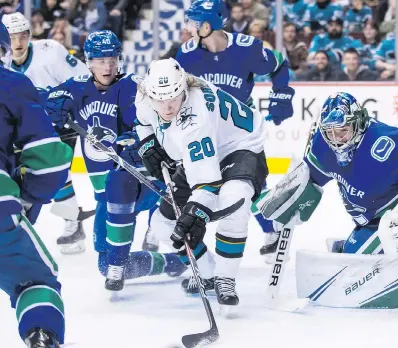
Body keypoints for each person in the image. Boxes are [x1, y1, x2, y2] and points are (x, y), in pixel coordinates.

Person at [141, 0, 295, 265]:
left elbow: (279, 64)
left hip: (237, 133)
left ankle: (272, 230)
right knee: (181, 178)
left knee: (247, 185)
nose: (189, 27)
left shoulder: (248, 49)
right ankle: (156, 228)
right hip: (199, 128)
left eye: (194, 22)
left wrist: (281, 94)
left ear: (209, 24)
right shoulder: (186, 54)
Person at [255, 92, 398, 306]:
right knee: (348, 267)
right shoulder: (323, 144)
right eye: (330, 132)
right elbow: (312, 179)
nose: (336, 139)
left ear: (358, 123)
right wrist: (293, 193)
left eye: (342, 131)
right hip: (369, 221)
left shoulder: (389, 143)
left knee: (357, 275)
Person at [45, 30, 185, 293]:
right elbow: (37, 98)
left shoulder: (136, 85)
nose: (107, 65)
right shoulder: (75, 88)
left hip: (141, 181)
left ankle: (158, 227)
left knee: (124, 194)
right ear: (88, 61)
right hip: (104, 194)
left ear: (120, 59)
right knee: (105, 265)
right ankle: (170, 263)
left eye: (112, 58)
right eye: (100, 59)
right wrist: (51, 104)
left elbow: (160, 120)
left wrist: (140, 138)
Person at [135, 58, 268, 307]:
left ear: (184, 89)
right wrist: (148, 143)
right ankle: (207, 274)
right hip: (204, 150)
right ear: (149, 92)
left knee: (233, 200)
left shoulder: (195, 119)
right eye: (160, 100)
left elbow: (207, 184)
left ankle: (225, 278)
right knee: (162, 223)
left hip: (239, 145)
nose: (167, 107)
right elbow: (143, 123)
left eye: (173, 98)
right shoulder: (144, 94)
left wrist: (197, 212)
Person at [0, 21, 72, 347]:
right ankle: (40, 335)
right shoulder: (12, 84)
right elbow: (51, 159)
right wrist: (28, 198)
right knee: (35, 281)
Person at [2, 12, 92, 254]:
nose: (18, 43)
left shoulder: (50, 51)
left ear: (31, 35)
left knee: (51, 167)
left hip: (58, 123)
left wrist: (58, 99)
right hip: (22, 130)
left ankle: (71, 221)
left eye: (23, 36)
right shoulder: (4, 64)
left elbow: (83, 79)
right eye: (12, 38)